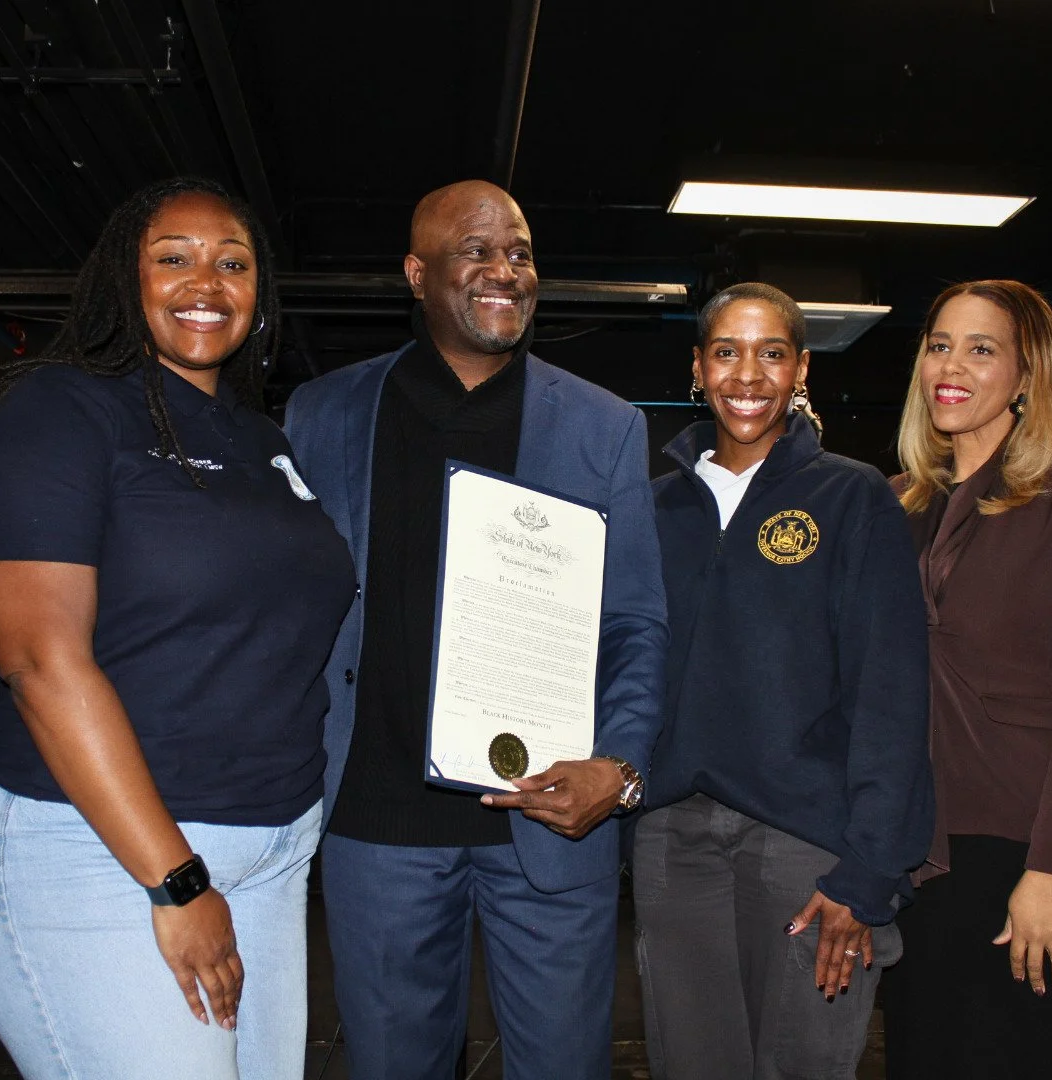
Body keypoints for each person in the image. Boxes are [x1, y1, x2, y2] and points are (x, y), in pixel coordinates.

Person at [0, 177, 355, 1080]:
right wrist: (175, 875)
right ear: (123, 280)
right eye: (172, 258)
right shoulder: (61, 411)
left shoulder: (264, 441)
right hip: (105, 850)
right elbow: (39, 660)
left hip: (271, 850)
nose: (204, 282)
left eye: (233, 262)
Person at [283, 179, 666, 1080]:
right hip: (376, 827)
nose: (505, 270)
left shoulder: (605, 428)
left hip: (550, 817)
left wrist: (617, 765)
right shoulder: (323, 415)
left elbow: (638, 625)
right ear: (418, 274)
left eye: (522, 253)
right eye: (477, 251)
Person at [633, 282, 932, 1080]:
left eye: (772, 354)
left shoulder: (852, 495)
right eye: (727, 352)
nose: (748, 375)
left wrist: (868, 874)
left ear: (801, 369)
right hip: (675, 839)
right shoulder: (650, 509)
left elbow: (891, 694)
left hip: (808, 846)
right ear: (697, 368)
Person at [881, 280, 1052, 1078]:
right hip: (924, 849)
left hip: (1041, 840)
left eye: (980, 348)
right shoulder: (894, 503)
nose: (949, 366)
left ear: (1028, 377)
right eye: (938, 345)